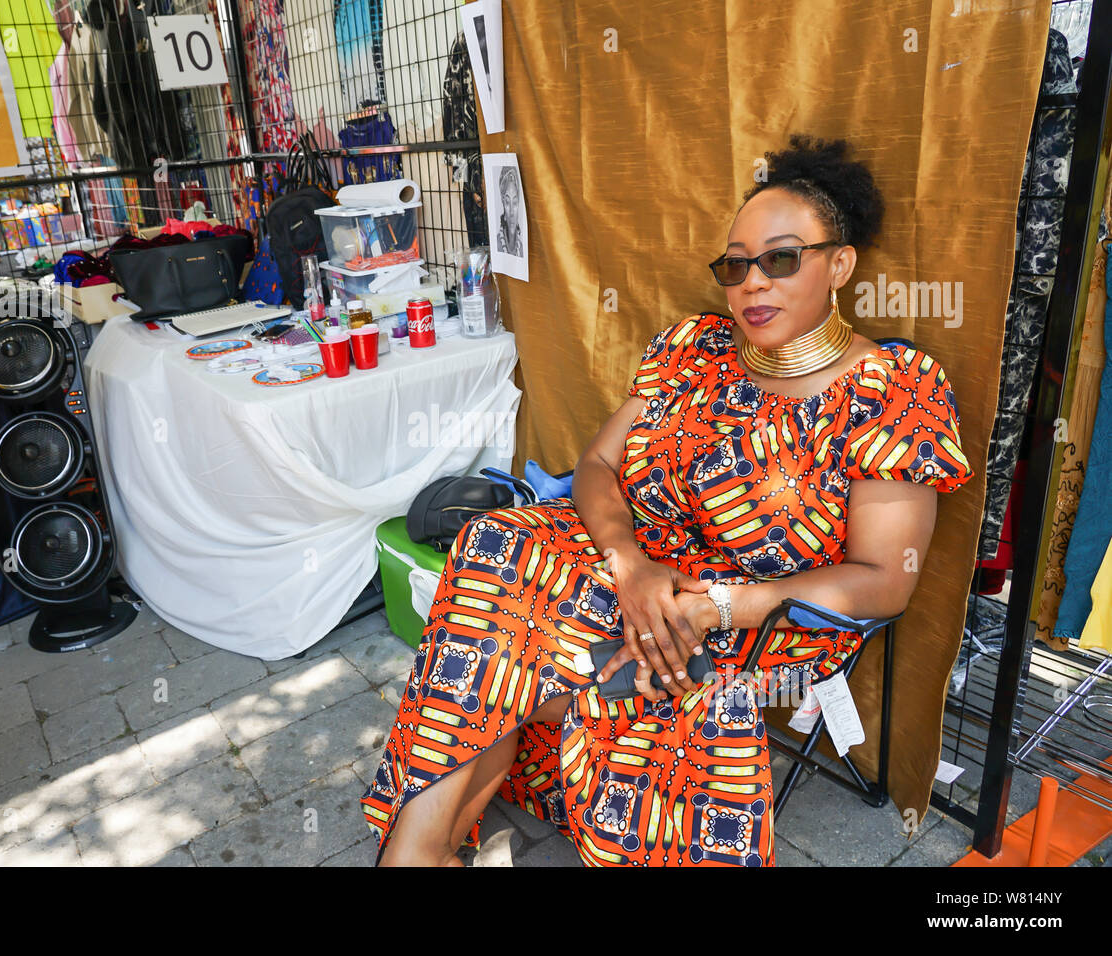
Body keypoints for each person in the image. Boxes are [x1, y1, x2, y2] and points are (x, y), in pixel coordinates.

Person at [360, 134, 973, 867]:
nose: (752, 282)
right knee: (498, 545)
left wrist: (715, 603)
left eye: (781, 259)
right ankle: (419, 850)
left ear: (839, 264)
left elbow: (886, 579)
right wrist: (628, 563)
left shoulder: (893, 390)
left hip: (764, 612)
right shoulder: (694, 350)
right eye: (736, 265)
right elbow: (596, 463)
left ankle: (427, 842)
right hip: (629, 565)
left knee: (522, 645)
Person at [496, 167, 523, 257]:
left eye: (514, 203)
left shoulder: (522, 248)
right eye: (507, 202)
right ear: (503, 203)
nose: (511, 212)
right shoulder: (497, 245)